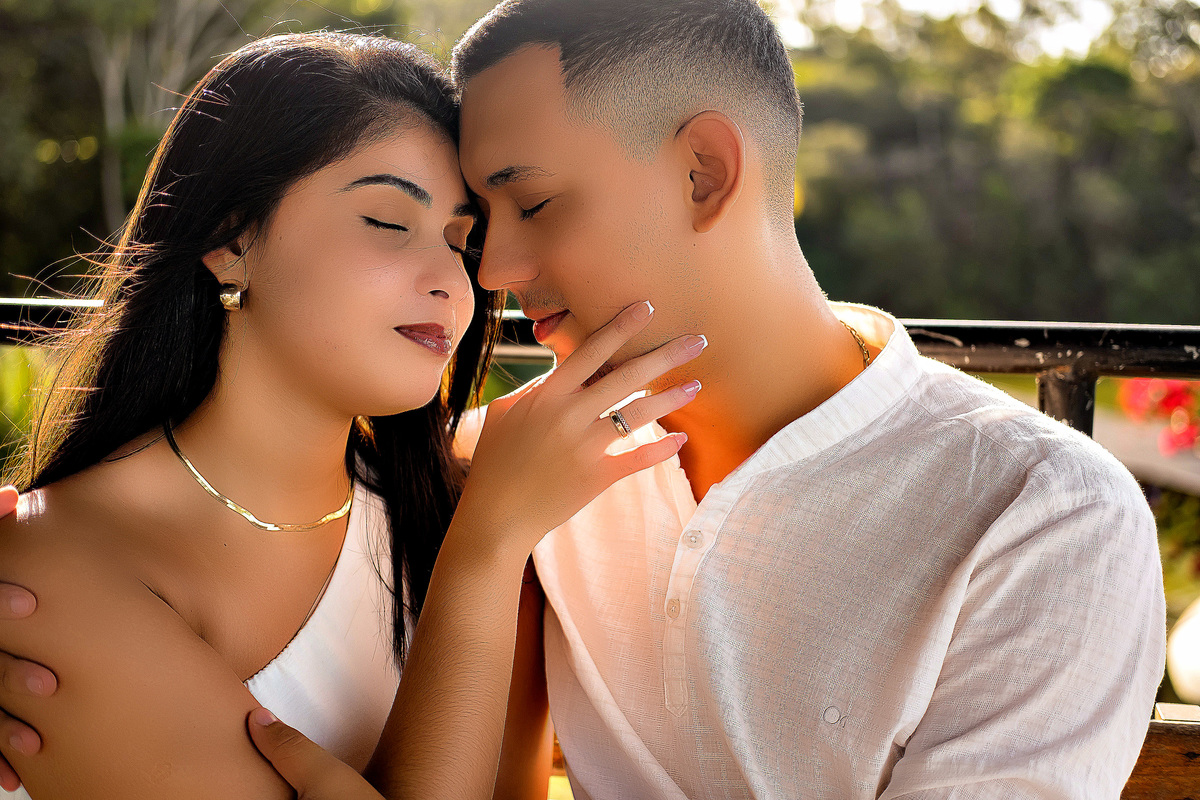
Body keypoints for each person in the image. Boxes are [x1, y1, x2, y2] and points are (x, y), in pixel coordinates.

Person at [0, 0, 1170, 797]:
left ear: (705, 171)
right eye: (465, 226)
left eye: (527, 205)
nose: (486, 276)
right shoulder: (504, 476)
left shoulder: (1038, 515)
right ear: (228, 240)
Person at [0, 29, 705, 800]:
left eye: (460, 241)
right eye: (387, 222)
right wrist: (486, 551)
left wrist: (489, 538)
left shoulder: (460, 507)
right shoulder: (56, 567)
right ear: (229, 238)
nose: (450, 281)